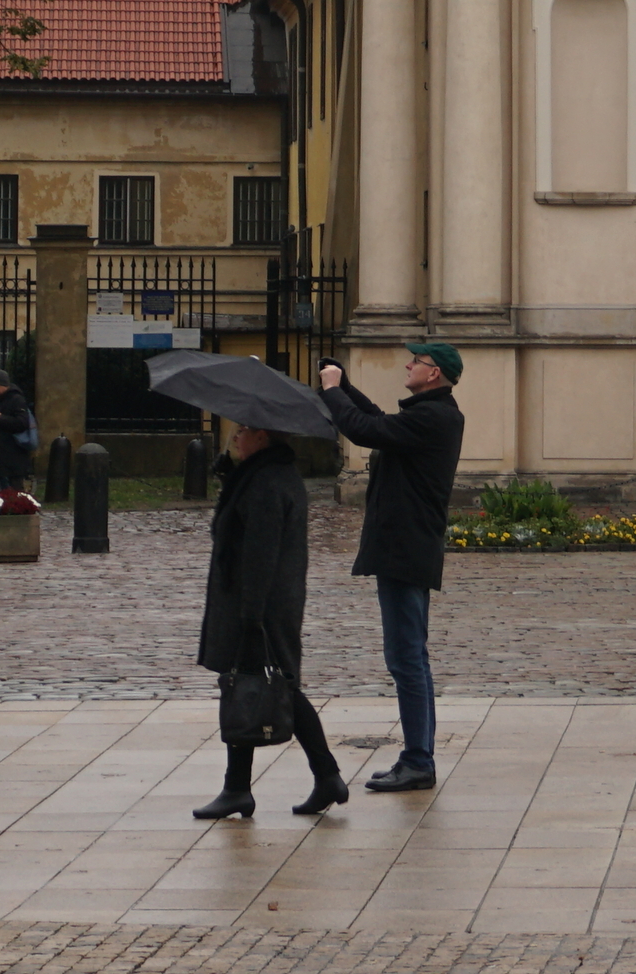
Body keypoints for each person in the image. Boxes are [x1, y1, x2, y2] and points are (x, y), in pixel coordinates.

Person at [318, 342, 465, 794]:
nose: (408, 365)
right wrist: (344, 384)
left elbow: (364, 430)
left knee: (406, 659)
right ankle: (418, 756)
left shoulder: (433, 418)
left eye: (416, 361)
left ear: (433, 373)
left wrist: (332, 393)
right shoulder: (431, 414)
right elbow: (379, 422)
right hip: (406, 549)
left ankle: (419, 760)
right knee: (410, 658)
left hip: (405, 551)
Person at [191, 422, 343, 819]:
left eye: (243, 431)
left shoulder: (268, 482)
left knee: (271, 686)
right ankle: (244, 787)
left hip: (261, 605)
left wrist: (252, 617)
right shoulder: (260, 475)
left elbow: (261, 552)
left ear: (264, 436)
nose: (237, 436)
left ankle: (253, 786)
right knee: (255, 685)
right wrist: (229, 473)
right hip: (260, 602)